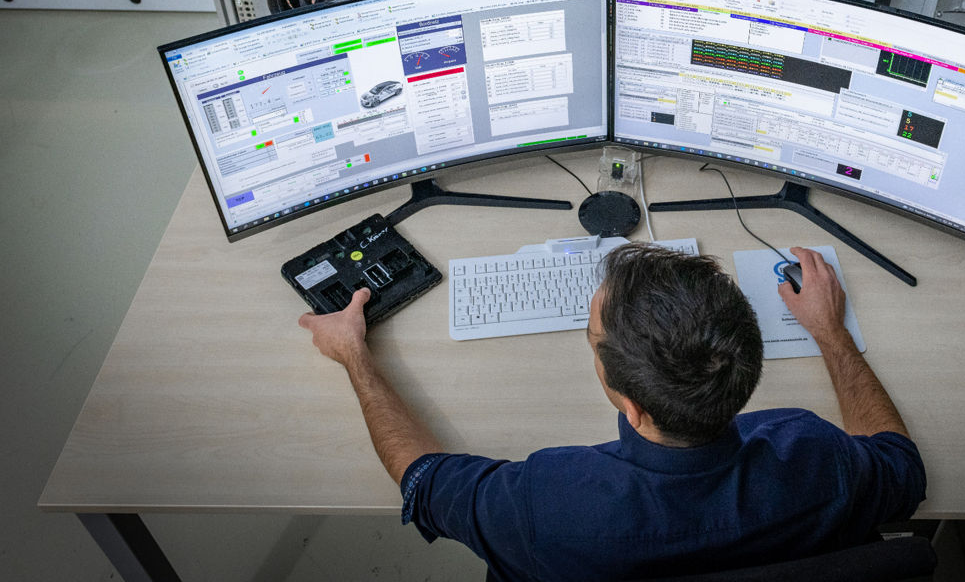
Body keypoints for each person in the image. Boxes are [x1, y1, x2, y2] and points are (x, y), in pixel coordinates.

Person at [299, 244, 926, 581]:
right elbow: (903, 467)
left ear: (629, 403)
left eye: (592, 337)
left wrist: (355, 355)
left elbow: (421, 477)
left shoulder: (545, 504)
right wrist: (831, 332)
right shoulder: (814, 454)